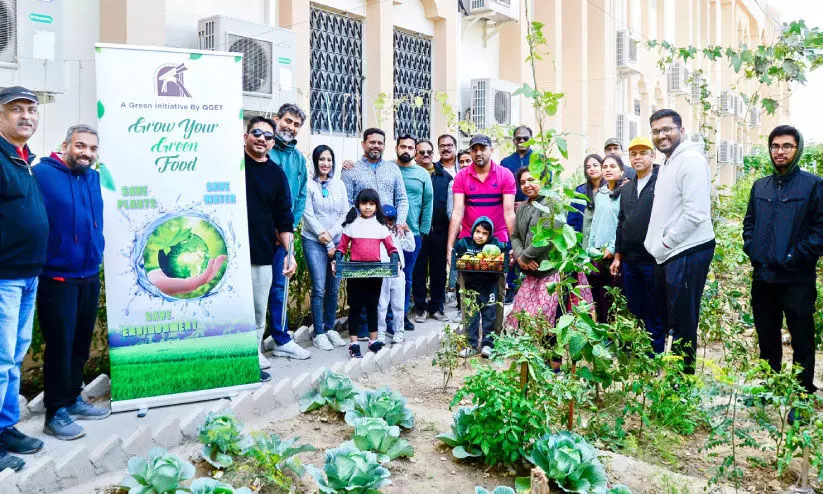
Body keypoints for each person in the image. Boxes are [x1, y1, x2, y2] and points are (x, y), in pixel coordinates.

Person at [34, 125, 109, 442]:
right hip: (58, 276)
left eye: (92, 148)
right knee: (60, 346)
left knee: (80, 344)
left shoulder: (93, 177)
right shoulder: (41, 175)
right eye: (80, 146)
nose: (86, 153)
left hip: (88, 274)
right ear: (65, 144)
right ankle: (55, 413)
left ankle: (73, 399)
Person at [743, 125, 823, 418]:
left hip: (796, 278)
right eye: (775, 146)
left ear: (797, 149)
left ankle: (801, 397)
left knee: (801, 336)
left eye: (786, 146)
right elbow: (749, 223)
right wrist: (752, 249)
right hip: (763, 276)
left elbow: (820, 231)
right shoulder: (760, 186)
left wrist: (794, 255)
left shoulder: (813, 186)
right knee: (767, 334)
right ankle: (769, 387)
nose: (780, 151)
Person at [645, 109, 715, 375]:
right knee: (673, 319)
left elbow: (696, 213)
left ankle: (682, 385)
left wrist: (664, 244)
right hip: (671, 253)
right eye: (656, 131)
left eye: (667, 129)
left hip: (687, 250)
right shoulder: (669, 161)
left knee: (684, 322)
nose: (661, 135)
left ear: (681, 130)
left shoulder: (691, 160)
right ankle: (674, 376)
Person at [0, 86, 48, 471]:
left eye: (31, 110)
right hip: (3, 277)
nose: (26, 116)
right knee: (0, 361)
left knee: (14, 357)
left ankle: (6, 427)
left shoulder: (24, 158)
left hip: (28, 275)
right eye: (16, 109)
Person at [506, 167, 593, 369]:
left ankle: (556, 366)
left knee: (555, 319)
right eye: (523, 182)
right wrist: (520, 258)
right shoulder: (523, 208)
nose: (527, 185)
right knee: (535, 318)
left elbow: (547, 238)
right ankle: (544, 362)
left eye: (531, 179)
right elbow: (515, 236)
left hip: (555, 271)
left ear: (543, 181)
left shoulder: (552, 204)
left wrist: (525, 257)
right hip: (532, 272)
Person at [244, 116, 297, 382]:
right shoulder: (232, 166)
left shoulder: (276, 174)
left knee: (256, 311)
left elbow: (284, 217)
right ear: (246, 136)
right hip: (225, 254)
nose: (262, 139)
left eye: (267, 136)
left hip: (261, 254)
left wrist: (290, 255)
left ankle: (252, 355)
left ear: (272, 143)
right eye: (256, 133)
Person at [609, 137, 665, 353]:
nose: (638, 157)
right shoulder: (627, 188)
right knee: (634, 305)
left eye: (643, 153)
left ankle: (656, 352)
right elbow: (622, 222)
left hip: (653, 259)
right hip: (630, 260)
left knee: (655, 305)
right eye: (634, 154)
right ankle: (639, 349)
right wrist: (617, 255)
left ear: (653, 155)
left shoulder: (662, 182)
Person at [264, 103, 310, 361]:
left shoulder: (299, 159)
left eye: (296, 124)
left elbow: (301, 195)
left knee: (281, 285)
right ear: (276, 119)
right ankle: (255, 341)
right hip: (259, 232)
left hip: (285, 233)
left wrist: (289, 227)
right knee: (257, 287)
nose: (291, 128)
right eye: (288, 121)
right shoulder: (265, 150)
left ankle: (280, 338)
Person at [334, 188, 398, 358]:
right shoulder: (351, 224)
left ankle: (373, 341)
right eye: (364, 203)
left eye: (371, 204)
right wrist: (338, 258)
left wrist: (395, 259)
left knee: (372, 306)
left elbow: (391, 248)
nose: (368, 207)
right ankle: (354, 343)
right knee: (355, 307)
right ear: (358, 205)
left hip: (375, 272)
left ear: (376, 206)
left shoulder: (381, 226)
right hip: (355, 272)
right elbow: (341, 246)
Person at [301, 145, 349, 351]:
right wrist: (327, 241)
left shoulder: (339, 185)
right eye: (321, 159)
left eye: (329, 159)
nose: (325, 163)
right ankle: (318, 332)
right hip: (314, 241)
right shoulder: (308, 185)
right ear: (315, 161)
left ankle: (330, 328)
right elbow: (308, 216)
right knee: (319, 287)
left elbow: (345, 214)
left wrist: (332, 237)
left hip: (336, 241)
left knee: (334, 287)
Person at [447, 134, 516, 268]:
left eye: (483, 148)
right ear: (470, 152)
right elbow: (457, 212)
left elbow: (509, 213)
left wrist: (515, 245)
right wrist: (449, 247)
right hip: (469, 240)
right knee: (466, 286)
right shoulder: (461, 176)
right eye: (474, 149)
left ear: (491, 150)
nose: (478, 153)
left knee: (498, 286)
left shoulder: (505, 175)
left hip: (498, 240)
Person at [451, 217, 508, 358]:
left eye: (484, 233)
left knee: (490, 316)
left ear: (489, 235)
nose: (480, 235)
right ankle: (471, 345)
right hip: (470, 287)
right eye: (477, 231)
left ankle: (488, 345)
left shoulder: (495, 245)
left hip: (490, 287)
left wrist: (504, 263)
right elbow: (455, 258)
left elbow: (504, 261)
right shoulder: (464, 244)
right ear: (473, 231)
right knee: (472, 317)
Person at [413, 140, 453, 323]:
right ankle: (420, 308)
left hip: (440, 231)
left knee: (439, 272)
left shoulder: (445, 177)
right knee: (418, 270)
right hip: (418, 232)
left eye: (429, 152)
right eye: (422, 152)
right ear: (415, 154)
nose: (426, 155)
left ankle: (437, 307)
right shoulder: (410, 174)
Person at [397, 136, 433, 326]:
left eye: (410, 147)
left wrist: (423, 230)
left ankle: (402, 315)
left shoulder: (422, 173)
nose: (406, 150)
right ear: (396, 147)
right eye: (403, 146)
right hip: (388, 234)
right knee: (387, 277)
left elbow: (428, 202)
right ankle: (385, 318)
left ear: (415, 151)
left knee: (407, 276)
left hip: (413, 234)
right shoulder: (389, 168)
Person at [587, 154, 624, 323]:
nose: (608, 170)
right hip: (597, 254)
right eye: (605, 167)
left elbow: (623, 223)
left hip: (614, 254)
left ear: (622, 171)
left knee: (612, 299)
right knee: (598, 298)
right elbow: (595, 222)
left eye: (613, 166)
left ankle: (613, 339)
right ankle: (602, 338)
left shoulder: (625, 192)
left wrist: (612, 248)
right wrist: (590, 247)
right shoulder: (601, 193)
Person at [377, 205, 415, 344]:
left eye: (391, 219)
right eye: (385, 219)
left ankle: (399, 331)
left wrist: (407, 230)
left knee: (398, 304)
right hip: (382, 272)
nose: (388, 223)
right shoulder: (377, 233)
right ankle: (380, 332)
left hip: (398, 272)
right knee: (381, 305)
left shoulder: (398, 233)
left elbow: (411, 247)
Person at [567, 154, 604, 249]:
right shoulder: (580, 191)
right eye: (588, 167)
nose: (592, 169)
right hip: (583, 241)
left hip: (603, 242)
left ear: (602, 166)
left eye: (595, 165)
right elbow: (571, 219)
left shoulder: (610, 190)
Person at [500, 126, 536, 203]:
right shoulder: (505, 163)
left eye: (525, 138)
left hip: (536, 208)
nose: (522, 140)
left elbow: (546, 187)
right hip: (511, 208)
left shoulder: (541, 160)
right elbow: (501, 188)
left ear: (531, 140)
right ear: (514, 141)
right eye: (518, 138)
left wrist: (526, 203)